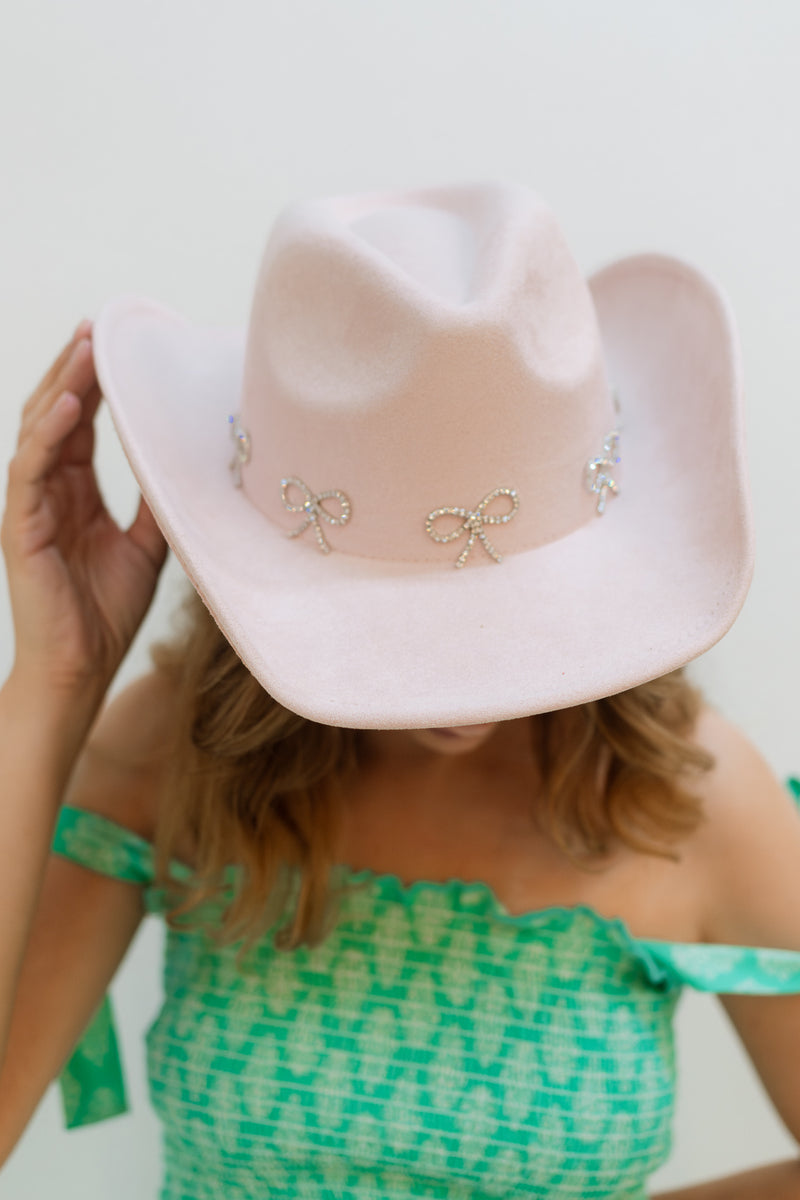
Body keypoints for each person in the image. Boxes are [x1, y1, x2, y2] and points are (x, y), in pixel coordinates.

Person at [0, 180, 799, 1199]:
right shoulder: (175, 749)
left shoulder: (691, 794)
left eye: (497, 620)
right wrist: (54, 686)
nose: (459, 700)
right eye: (397, 627)